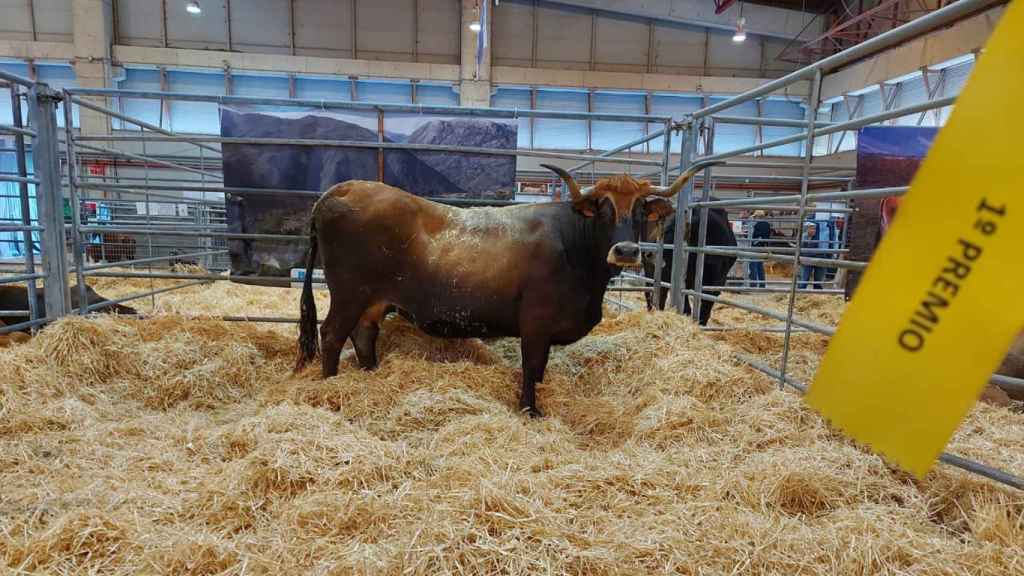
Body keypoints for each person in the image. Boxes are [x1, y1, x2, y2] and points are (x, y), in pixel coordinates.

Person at [748, 210, 771, 289]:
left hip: (755, 245)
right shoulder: (767, 224)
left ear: (757, 216)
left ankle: (753, 284)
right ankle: (762, 284)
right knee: (759, 265)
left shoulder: (757, 224)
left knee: (753, 265)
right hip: (762, 246)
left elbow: (753, 235)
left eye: (755, 216)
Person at [800, 222, 825, 290]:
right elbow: (801, 250)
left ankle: (817, 291)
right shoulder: (803, 237)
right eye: (811, 228)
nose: (813, 230)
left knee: (818, 278)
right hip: (807, 259)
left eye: (814, 229)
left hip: (818, 258)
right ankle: (800, 291)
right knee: (804, 278)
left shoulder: (818, 237)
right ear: (806, 229)